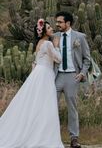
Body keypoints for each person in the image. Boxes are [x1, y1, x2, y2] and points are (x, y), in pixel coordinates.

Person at [0, 18, 64, 147]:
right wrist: (57, 46)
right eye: (49, 28)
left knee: (33, 103)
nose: (52, 29)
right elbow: (58, 59)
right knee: (46, 104)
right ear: (44, 32)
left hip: (37, 74)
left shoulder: (39, 44)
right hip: (45, 74)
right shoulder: (48, 44)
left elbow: (36, 62)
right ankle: (42, 136)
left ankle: (33, 132)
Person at [54, 11, 91, 148]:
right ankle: (51, 136)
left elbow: (87, 58)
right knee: (51, 107)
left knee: (72, 108)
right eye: (56, 22)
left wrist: (82, 73)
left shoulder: (79, 37)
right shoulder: (54, 36)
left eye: (60, 22)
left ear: (68, 23)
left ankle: (74, 138)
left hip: (72, 76)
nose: (57, 24)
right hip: (56, 76)